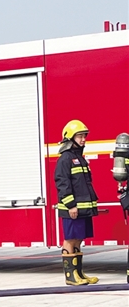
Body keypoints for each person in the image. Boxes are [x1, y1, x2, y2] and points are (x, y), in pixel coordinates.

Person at [55, 120, 99, 285]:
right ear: (70, 138)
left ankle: (79, 273)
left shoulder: (79, 158)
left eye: (84, 136)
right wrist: (71, 205)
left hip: (82, 208)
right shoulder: (65, 159)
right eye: (79, 136)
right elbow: (62, 183)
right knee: (71, 239)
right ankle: (70, 276)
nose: (83, 139)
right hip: (72, 208)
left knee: (79, 239)